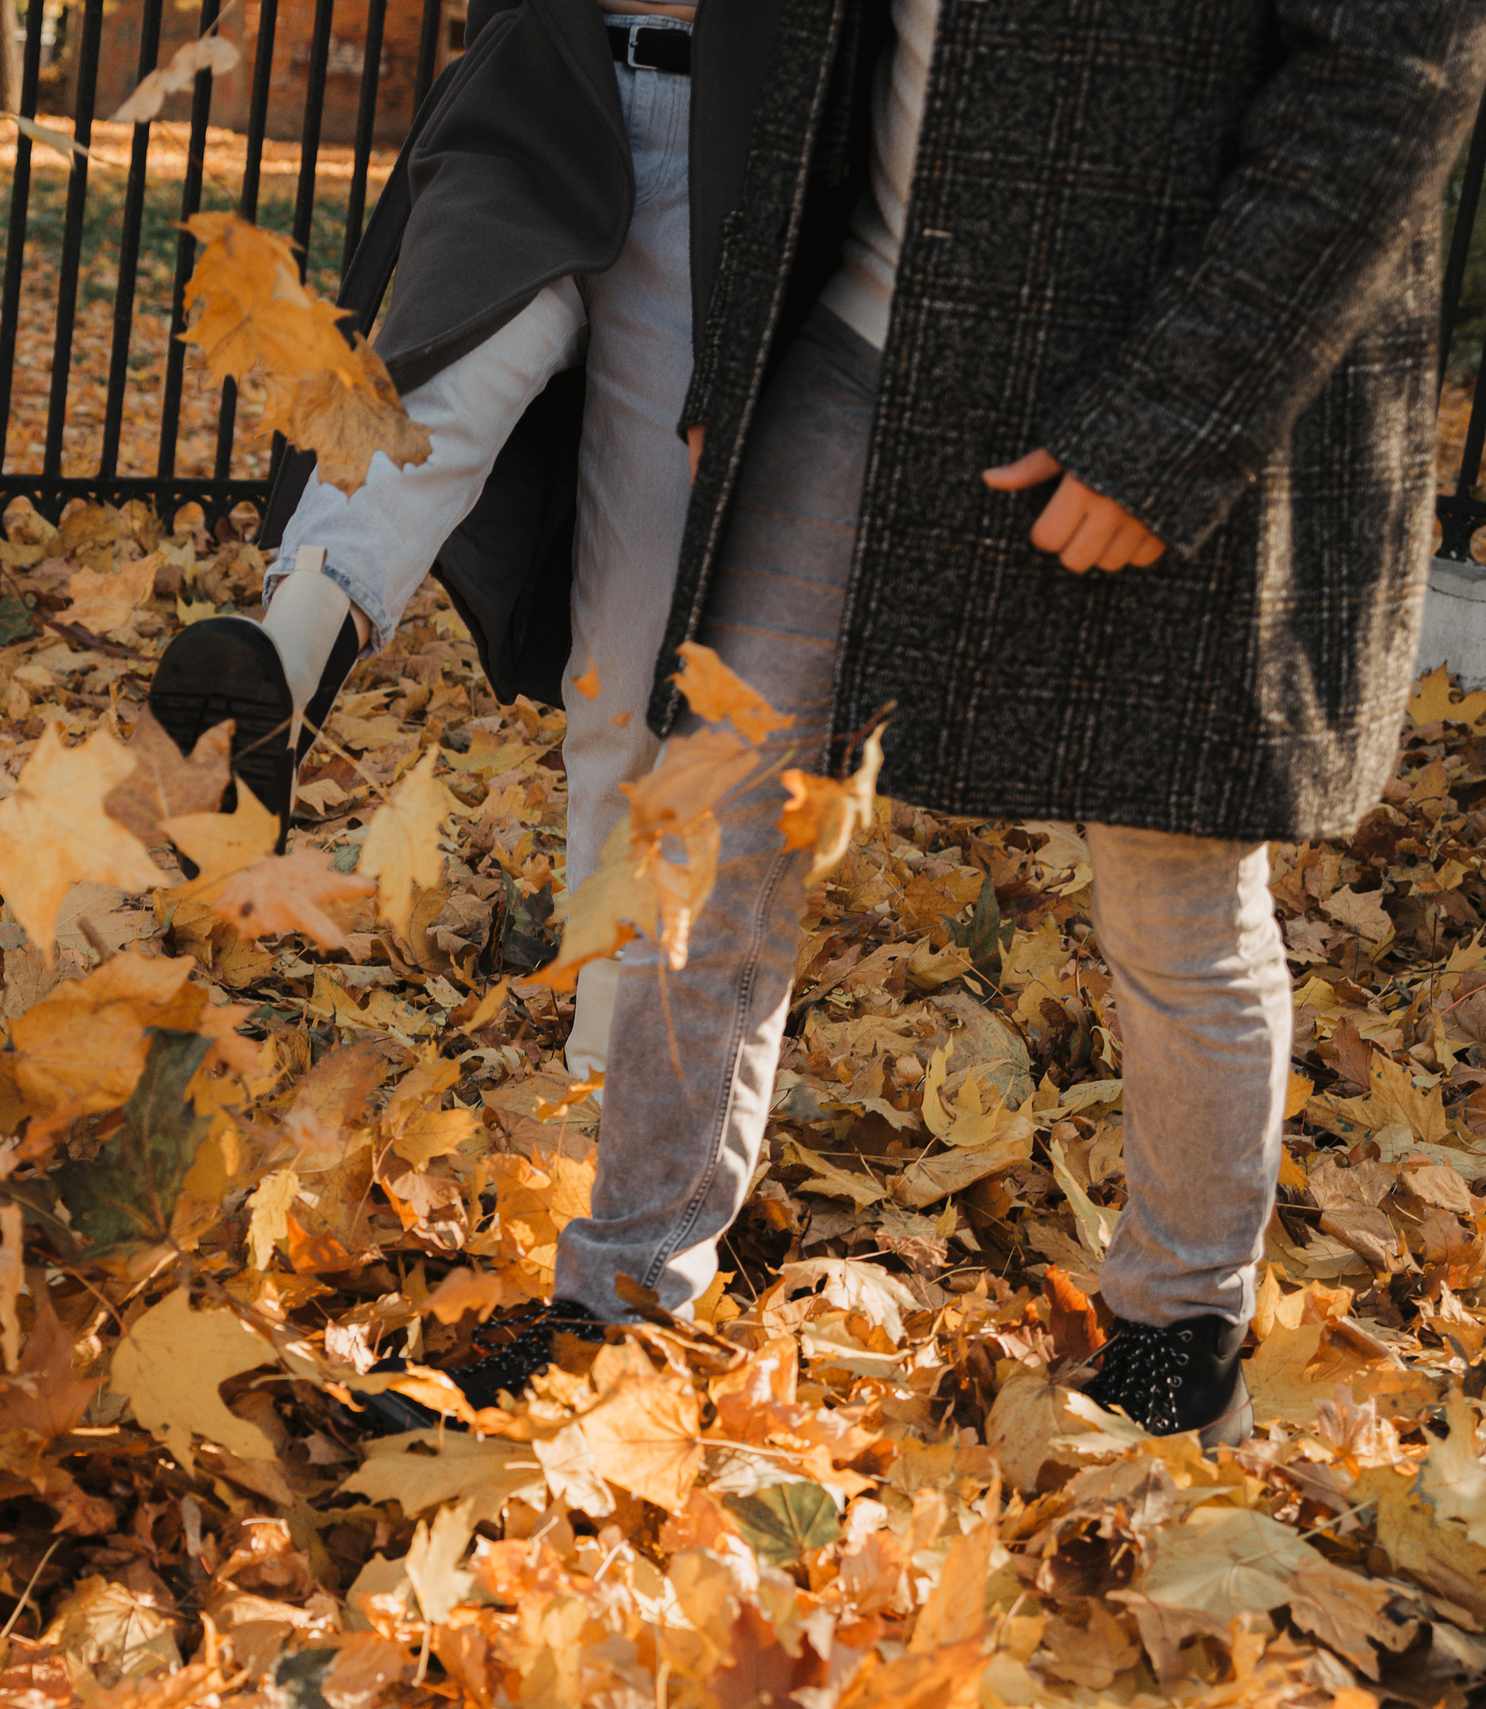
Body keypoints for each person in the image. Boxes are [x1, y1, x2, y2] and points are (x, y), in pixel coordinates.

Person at [458, 0, 1486, 1446]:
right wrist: (738, 352)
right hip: (861, 339)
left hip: (1169, 358)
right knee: (712, 811)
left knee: (1173, 879)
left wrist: (1172, 419)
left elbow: (1398, 77)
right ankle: (622, 1294)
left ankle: (1180, 1331)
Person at [146, 0, 780, 1087]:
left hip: (731, 143)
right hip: (545, 94)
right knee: (431, 397)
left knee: (627, 650)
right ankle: (283, 670)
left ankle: (604, 1060)